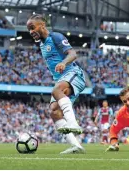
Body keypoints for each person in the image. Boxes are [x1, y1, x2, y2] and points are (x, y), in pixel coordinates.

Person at [27, 14, 85, 154]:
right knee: (54, 111)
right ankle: (76, 146)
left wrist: (63, 62)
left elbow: (73, 54)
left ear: (42, 25)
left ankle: (73, 123)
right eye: (28, 29)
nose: (30, 32)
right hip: (62, 78)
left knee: (56, 91)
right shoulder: (42, 44)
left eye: (32, 27)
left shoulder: (56, 37)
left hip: (73, 74)